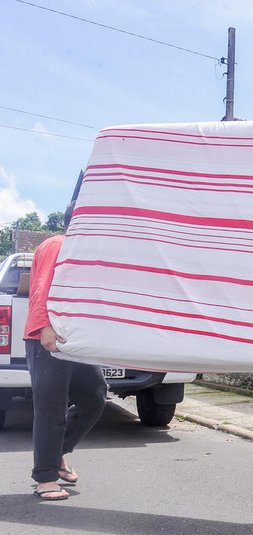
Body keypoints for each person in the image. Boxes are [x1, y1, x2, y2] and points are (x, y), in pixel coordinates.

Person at [24, 200, 108, 500]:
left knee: (95, 395)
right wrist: (45, 326)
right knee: (51, 407)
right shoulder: (57, 244)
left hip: (75, 341)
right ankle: (45, 478)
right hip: (47, 337)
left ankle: (57, 453)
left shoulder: (84, 255)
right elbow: (41, 289)